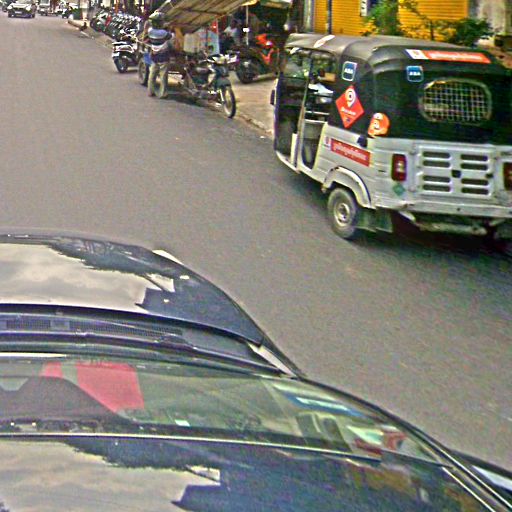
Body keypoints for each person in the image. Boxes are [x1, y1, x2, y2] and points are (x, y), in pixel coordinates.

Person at [145, 12, 175, 99]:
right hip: (163, 56)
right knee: (163, 76)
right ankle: (163, 93)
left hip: (154, 56)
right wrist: (172, 28)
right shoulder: (163, 33)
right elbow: (171, 36)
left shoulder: (150, 31)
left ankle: (150, 91)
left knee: (152, 74)